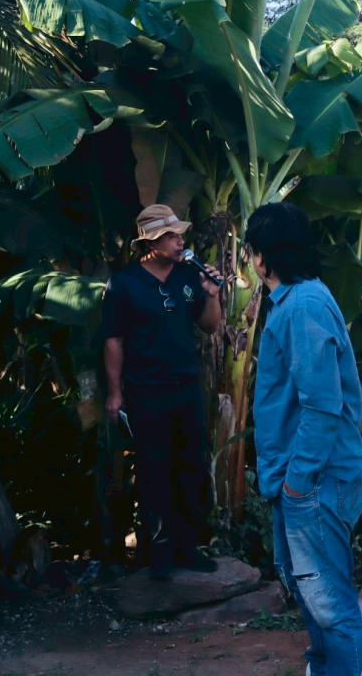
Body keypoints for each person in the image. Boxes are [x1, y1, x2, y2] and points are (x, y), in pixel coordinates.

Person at [245, 202, 362, 676]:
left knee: (330, 605)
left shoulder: (302, 306)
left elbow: (322, 405)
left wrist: (298, 482)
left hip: (315, 481)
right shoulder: (297, 302)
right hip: (301, 481)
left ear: (261, 257)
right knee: (312, 598)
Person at [101, 204, 222, 581]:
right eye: (171, 235)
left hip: (185, 387)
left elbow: (209, 328)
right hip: (145, 391)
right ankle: (160, 554)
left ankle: (189, 547)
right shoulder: (124, 283)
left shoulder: (189, 274)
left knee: (190, 468)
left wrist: (212, 293)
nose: (179, 240)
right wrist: (115, 393)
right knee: (155, 472)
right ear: (150, 243)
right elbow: (113, 340)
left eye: (178, 234)